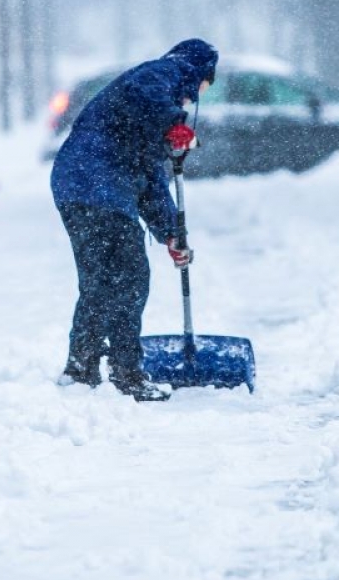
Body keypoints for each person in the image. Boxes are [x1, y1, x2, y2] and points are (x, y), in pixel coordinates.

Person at [50, 38, 218, 402]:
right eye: (206, 87)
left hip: (78, 184)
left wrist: (171, 233)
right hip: (95, 184)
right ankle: (126, 373)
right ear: (200, 74)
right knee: (128, 278)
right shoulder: (164, 74)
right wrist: (175, 122)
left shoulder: (145, 120)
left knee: (101, 281)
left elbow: (151, 183)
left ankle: (81, 370)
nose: (194, 101)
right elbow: (146, 91)